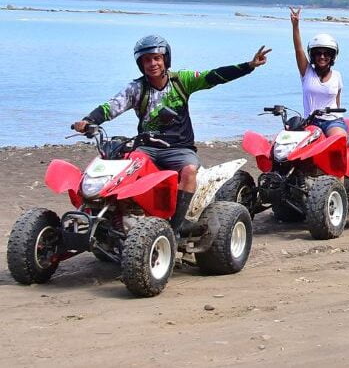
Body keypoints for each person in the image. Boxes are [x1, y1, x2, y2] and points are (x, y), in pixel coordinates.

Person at [72, 35, 270, 236]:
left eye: (156, 58)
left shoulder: (182, 81)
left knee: (190, 171)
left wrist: (249, 65)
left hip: (179, 148)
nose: (152, 64)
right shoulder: (136, 88)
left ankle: (177, 225)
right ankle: (120, 218)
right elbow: (112, 106)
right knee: (122, 170)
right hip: (146, 147)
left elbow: (214, 76)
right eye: (147, 60)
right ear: (140, 64)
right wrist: (89, 120)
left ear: (165, 59)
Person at [289, 7, 346, 138]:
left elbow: (337, 104)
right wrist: (295, 26)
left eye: (326, 54)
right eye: (318, 53)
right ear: (313, 56)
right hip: (310, 121)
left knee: (338, 138)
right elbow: (298, 50)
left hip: (333, 121)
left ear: (332, 57)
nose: (322, 57)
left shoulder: (337, 76)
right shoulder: (306, 72)